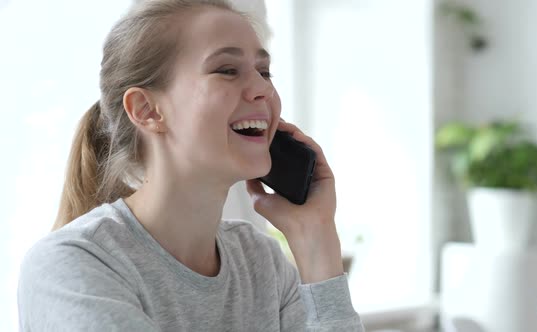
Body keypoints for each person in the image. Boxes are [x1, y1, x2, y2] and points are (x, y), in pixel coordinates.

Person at [17, 0, 364, 331]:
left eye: (264, 71)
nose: (262, 89)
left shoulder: (262, 263)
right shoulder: (72, 266)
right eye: (227, 70)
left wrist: (317, 236)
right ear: (147, 110)